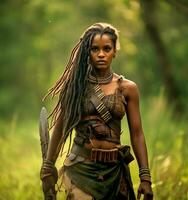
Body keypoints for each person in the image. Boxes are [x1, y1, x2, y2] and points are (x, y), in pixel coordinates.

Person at [40, 22, 153, 200]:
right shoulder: (76, 86)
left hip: (115, 171)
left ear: (115, 51)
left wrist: (145, 177)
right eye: (94, 49)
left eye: (106, 48)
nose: (101, 54)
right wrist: (48, 167)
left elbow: (137, 134)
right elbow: (61, 127)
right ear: (87, 52)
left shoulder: (128, 88)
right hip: (81, 168)